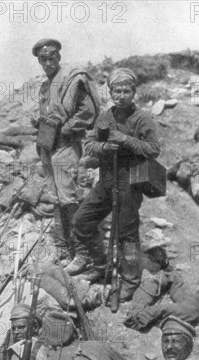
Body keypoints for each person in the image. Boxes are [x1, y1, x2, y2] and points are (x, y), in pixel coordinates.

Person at [67, 68, 161, 301]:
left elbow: (153, 149)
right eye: (116, 91)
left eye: (126, 91)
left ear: (134, 92)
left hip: (131, 182)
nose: (121, 95)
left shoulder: (142, 118)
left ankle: (129, 281)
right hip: (107, 181)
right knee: (82, 221)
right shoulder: (105, 117)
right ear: (110, 93)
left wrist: (126, 140)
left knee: (126, 234)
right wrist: (104, 148)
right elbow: (89, 143)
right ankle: (101, 264)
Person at [32, 38, 100, 260]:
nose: (48, 63)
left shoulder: (72, 78)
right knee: (55, 197)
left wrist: (66, 129)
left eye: (51, 58)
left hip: (66, 145)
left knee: (69, 196)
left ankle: (82, 253)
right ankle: (63, 247)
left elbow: (87, 113)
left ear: (58, 57)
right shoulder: (44, 86)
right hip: (47, 147)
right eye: (43, 59)